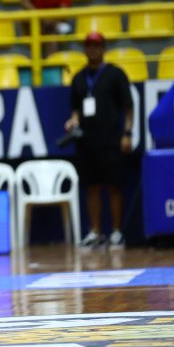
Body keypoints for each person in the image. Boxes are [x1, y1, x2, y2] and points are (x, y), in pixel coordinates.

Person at [64, 32, 133, 249]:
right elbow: (76, 109)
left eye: (96, 46)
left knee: (114, 186)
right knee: (91, 187)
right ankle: (95, 232)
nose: (92, 50)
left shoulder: (115, 74)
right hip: (86, 141)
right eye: (89, 46)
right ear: (84, 49)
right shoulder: (78, 78)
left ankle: (117, 232)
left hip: (111, 139)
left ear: (103, 48)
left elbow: (128, 106)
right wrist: (73, 122)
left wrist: (127, 133)